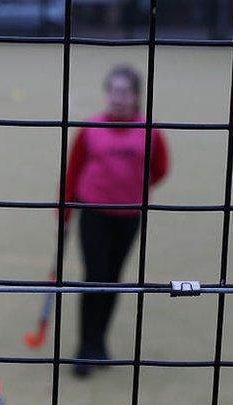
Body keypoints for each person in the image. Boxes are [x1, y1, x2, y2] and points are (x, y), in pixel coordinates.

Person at [62, 65, 169, 377]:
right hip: (94, 213)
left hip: (129, 216)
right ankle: (84, 348)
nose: (119, 98)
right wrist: (65, 211)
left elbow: (160, 168)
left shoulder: (150, 131)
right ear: (106, 93)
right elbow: (73, 170)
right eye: (114, 91)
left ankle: (99, 343)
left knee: (113, 279)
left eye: (125, 92)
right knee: (94, 278)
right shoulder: (91, 128)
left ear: (136, 96)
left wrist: (133, 185)